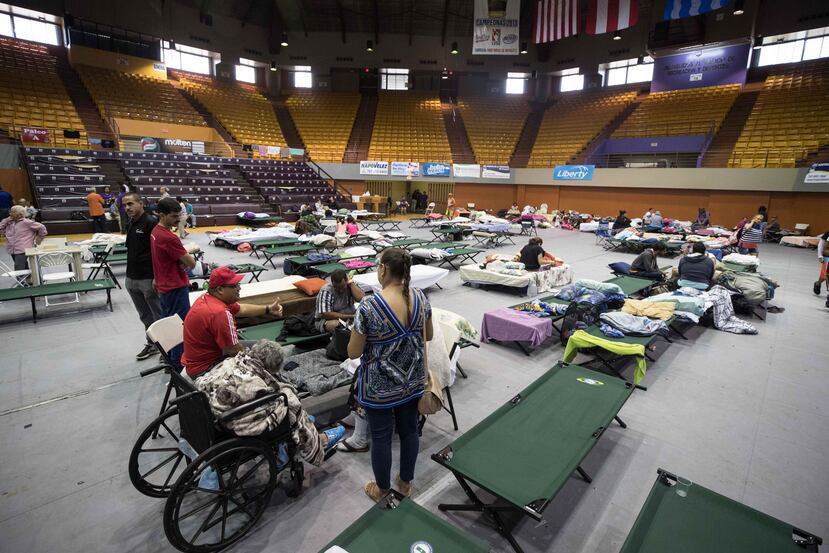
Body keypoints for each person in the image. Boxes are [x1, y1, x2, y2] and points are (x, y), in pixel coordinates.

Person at [348, 248, 433, 502]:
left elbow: (353, 352)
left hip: (381, 386)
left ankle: (382, 489)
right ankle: (405, 483)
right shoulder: (420, 297)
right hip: (413, 380)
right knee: (409, 432)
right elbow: (427, 335)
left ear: (383, 269)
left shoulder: (369, 305)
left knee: (382, 437)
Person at [192, 339, 345, 465]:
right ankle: (317, 441)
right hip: (230, 420)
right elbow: (276, 405)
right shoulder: (255, 384)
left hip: (205, 408)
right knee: (291, 406)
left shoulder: (232, 361)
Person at [182, 266, 284, 378]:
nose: (239, 288)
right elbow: (234, 350)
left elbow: (241, 309)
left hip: (199, 361)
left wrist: (268, 309)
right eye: (234, 285)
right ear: (220, 289)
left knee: (262, 349)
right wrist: (260, 362)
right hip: (205, 369)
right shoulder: (219, 313)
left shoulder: (208, 297)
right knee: (267, 354)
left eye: (238, 284)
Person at [151, 197, 196, 369]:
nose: (178, 219)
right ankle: (179, 367)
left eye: (179, 215)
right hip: (175, 287)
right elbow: (191, 263)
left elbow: (160, 259)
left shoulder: (155, 232)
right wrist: (184, 258)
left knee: (169, 325)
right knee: (180, 328)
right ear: (161, 215)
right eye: (174, 216)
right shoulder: (170, 238)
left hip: (164, 285)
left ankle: (170, 359)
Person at [123, 193, 163, 360]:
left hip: (148, 278)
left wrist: (156, 277)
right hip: (131, 278)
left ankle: (167, 349)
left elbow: (158, 253)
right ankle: (153, 344)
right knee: (145, 316)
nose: (127, 208)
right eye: (125, 205)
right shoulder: (131, 222)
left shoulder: (151, 223)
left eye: (131, 204)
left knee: (158, 315)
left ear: (141, 204)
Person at [315, 269, 365, 333]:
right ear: (332, 282)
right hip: (327, 321)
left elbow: (361, 299)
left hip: (350, 317)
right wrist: (350, 316)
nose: (340, 290)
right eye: (336, 287)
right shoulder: (327, 290)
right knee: (337, 325)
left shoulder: (350, 285)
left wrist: (351, 284)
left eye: (342, 287)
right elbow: (326, 314)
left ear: (346, 280)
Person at [0, 205, 47, 272]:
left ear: (19, 215)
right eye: (10, 211)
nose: (10, 213)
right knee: (24, 265)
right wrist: (7, 221)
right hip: (12, 248)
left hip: (23, 248)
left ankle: (20, 282)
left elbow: (42, 227)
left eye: (12, 212)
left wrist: (39, 238)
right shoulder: (9, 222)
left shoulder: (27, 222)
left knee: (18, 267)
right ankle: (28, 280)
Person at [814, 231, 829, 305]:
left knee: (825, 276)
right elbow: (821, 244)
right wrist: (820, 256)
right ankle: (818, 283)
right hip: (827, 257)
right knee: (825, 276)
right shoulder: (828, 234)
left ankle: (818, 283)